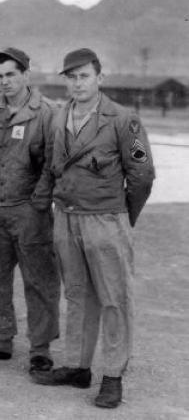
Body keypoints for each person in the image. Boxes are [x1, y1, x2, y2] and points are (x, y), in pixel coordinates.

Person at [31, 48, 155, 409]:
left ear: (100, 78)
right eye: (70, 77)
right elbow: (55, 167)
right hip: (67, 216)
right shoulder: (60, 117)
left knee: (114, 299)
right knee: (77, 295)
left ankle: (113, 376)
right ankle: (77, 366)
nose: (77, 83)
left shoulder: (122, 119)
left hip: (105, 219)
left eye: (83, 76)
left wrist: (121, 217)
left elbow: (142, 176)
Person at [0, 47, 60, 372]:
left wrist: (38, 203)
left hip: (29, 212)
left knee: (40, 280)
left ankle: (40, 348)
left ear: (26, 75)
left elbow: (51, 164)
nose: (4, 82)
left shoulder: (46, 112)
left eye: (10, 75)